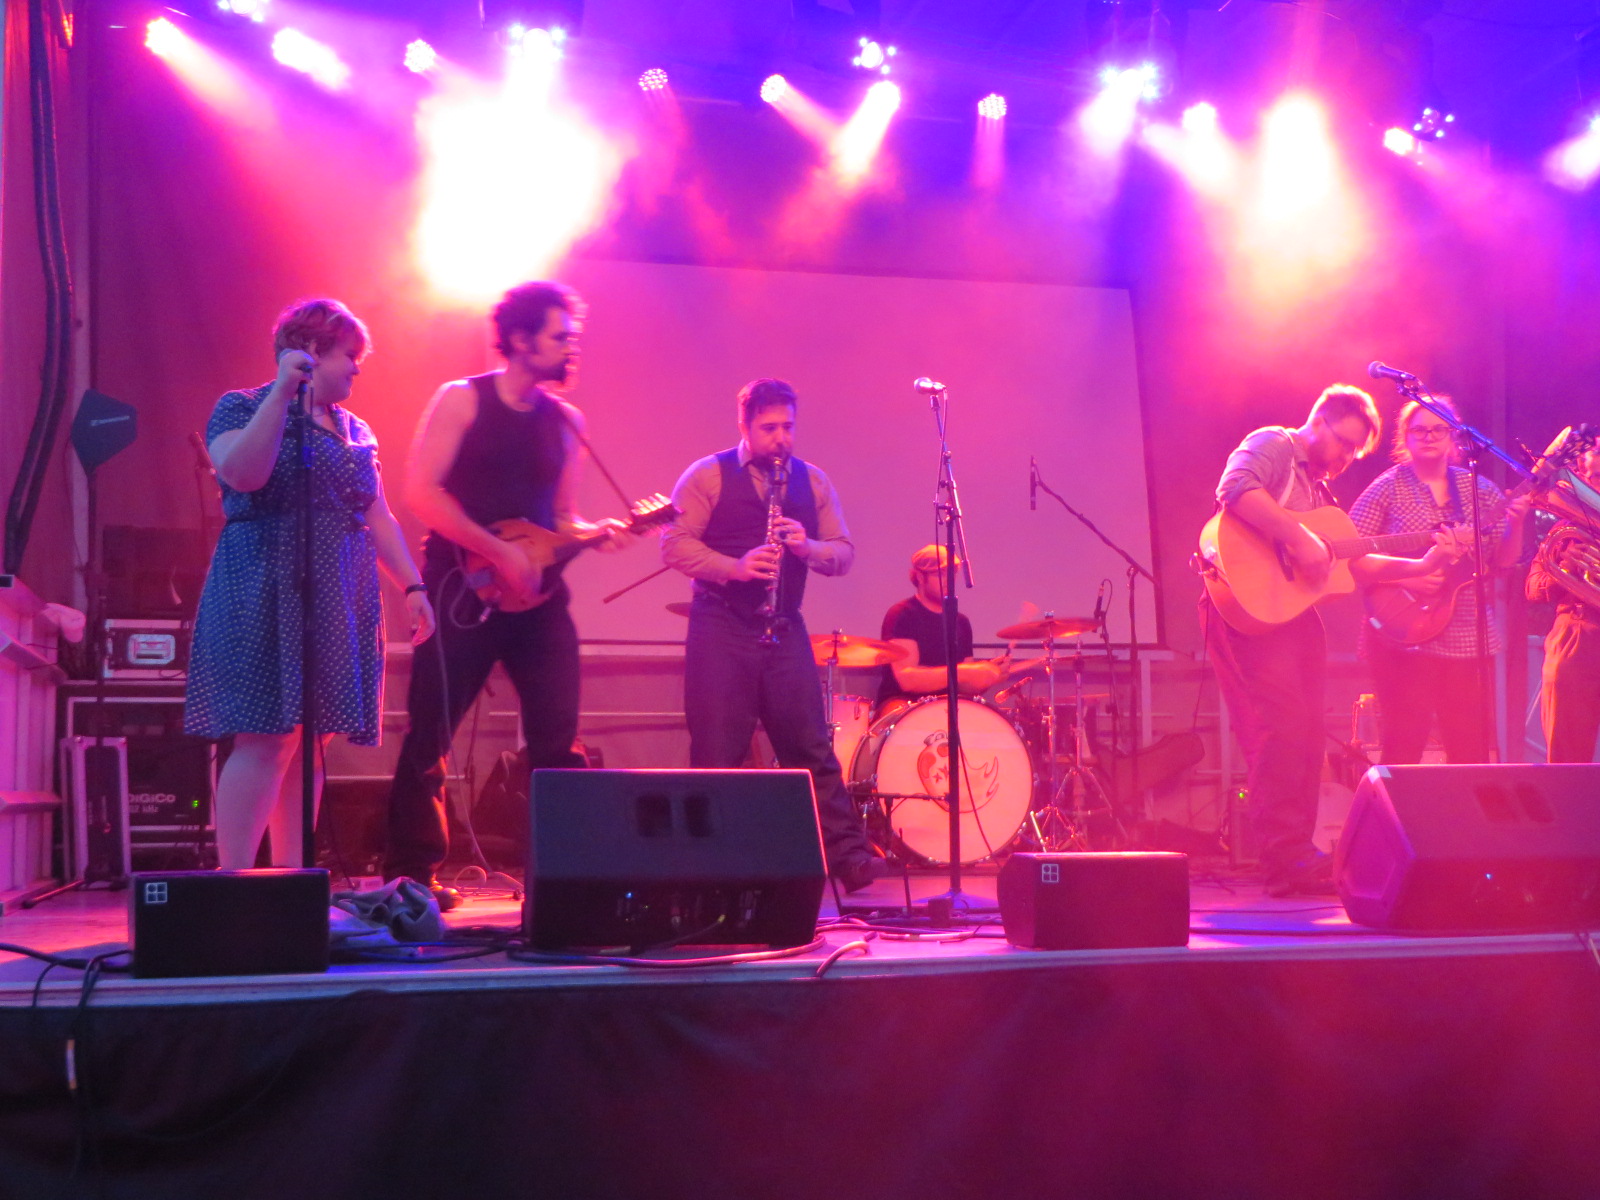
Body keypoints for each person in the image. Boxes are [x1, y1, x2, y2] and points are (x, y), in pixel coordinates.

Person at [383, 281, 628, 908]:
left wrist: (597, 536)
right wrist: (497, 551)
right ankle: (411, 877)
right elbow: (423, 494)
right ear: (520, 340)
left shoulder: (567, 422)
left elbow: (562, 518)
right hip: (461, 589)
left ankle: (564, 882)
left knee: (557, 741)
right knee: (431, 733)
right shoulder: (462, 400)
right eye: (559, 336)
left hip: (539, 601)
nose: (572, 347)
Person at [186, 298, 435, 870]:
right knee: (265, 734)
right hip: (263, 584)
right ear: (311, 351)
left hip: (337, 593)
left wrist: (413, 586)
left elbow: (377, 516)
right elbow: (243, 474)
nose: (357, 368)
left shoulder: (355, 429)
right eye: (349, 355)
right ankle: (233, 882)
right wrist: (281, 393)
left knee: (311, 740)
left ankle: (292, 882)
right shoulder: (241, 406)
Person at [1200, 384, 1460, 897]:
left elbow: (1354, 562)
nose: (1345, 458)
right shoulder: (1275, 444)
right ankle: (1285, 860)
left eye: (1355, 451)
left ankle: (1297, 852)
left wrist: (1421, 565)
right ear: (1318, 420)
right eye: (1343, 443)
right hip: (1243, 606)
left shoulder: (1320, 495)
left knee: (1307, 731)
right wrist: (1299, 538)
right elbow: (1236, 487)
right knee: (1278, 729)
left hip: (1290, 615)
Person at [662, 378, 886, 892]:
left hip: (784, 624)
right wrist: (734, 567)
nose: (781, 438)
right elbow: (673, 544)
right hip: (722, 623)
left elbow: (843, 552)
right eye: (768, 428)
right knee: (717, 749)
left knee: (810, 746)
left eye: (788, 427)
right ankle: (706, 869)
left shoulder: (814, 481)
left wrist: (807, 548)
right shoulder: (708, 475)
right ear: (744, 426)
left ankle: (848, 857)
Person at [1348, 397, 1530, 764]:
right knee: (1403, 746)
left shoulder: (1479, 491)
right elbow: (1351, 556)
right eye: (1419, 430)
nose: (1429, 436)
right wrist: (1409, 578)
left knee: (1470, 750)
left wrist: (1516, 523)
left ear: (1453, 437)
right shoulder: (1387, 488)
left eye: (1438, 429)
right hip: (1401, 636)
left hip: (1464, 636)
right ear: (1405, 436)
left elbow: (1502, 563)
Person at [1529, 443, 1600, 762]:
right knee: (1567, 762)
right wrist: (1565, 568)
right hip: (1577, 637)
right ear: (1582, 479)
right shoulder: (1566, 531)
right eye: (1597, 477)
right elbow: (1532, 588)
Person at [876, 543, 1012, 710]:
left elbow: (965, 689)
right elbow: (907, 680)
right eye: (940, 574)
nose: (949, 580)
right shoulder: (903, 614)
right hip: (902, 705)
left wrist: (988, 676)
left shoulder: (960, 622)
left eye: (952, 573)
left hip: (947, 706)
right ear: (920, 577)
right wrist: (967, 671)